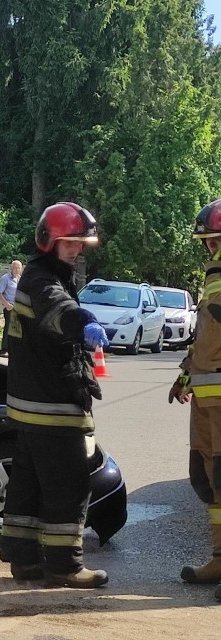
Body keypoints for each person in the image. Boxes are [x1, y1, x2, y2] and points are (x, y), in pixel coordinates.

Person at [0, 202, 111, 589]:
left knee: (29, 485)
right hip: (52, 405)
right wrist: (85, 323)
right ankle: (65, 565)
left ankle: (25, 561)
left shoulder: (42, 274)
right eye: (71, 244)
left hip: (32, 405)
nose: (78, 251)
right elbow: (57, 310)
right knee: (70, 484)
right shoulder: (43, 279)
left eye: (82, 244)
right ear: (50, 242)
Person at [169, 199, 221, 601]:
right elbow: (206, 339)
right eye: (208, 242)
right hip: (207, 398)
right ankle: (220, 557)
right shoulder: (212, 277)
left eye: (214, 240)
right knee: (209, 479)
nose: (211, 248)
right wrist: (186, 374)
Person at [0, 260, 23, 357]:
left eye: (18, 268)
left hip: (18, 308)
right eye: (15, 268)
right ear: (11, 268)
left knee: (17, 330)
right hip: (9, 307)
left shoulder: (20, 279)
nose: (16, 270)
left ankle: (13, 350)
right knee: (8, 329)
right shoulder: (5, 278)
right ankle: (3, 350)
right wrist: (7, 305)